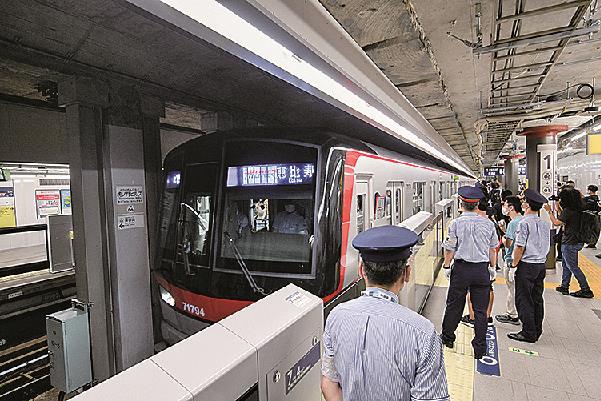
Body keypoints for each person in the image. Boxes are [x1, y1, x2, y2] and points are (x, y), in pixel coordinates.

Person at [321, 226, 449, 401]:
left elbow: (328, 383)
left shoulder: (336, 316)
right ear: (407, 273)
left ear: (361, 271)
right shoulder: (424, 333)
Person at [441, 186, 498, 359]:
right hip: (481, 270)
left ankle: (448, 338)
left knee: (454, 305)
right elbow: (492, 249)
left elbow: (450, 248)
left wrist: (446, 265)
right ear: (478, 204)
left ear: (461, 203)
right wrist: (492, 268)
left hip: (461, 269)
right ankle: (479, 349)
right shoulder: (488, 224)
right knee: (481, 311)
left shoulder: (456, 223)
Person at [508, 189, 550, 343]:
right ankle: (537, 329)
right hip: (540, 265)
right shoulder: (545, 223)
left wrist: (513, 266)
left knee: (524, 299)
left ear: (527, 205)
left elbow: (519, 247)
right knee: (537, 298)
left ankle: (528, 333)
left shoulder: (524, 223)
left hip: (527, 266)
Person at [545, 188, 594, 298]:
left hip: (569, 242)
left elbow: (557, 222)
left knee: (572, 266)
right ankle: (564, 285)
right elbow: (564, 216)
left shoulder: (568, 211)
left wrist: (549, 211)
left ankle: (586, 289)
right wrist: (557, 206)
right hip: (577, 240)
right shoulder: (579, 208)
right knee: (567, 264)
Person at [495, 195, 524, 325]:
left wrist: (503, 233)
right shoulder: (523, 220)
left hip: (512, 260)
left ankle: (512, 314)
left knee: (512, 289)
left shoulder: (513, 223)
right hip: (522, 261)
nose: (504, 207)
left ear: (511, 207)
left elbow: (508, 244)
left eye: (506, 205)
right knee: (517, 289)